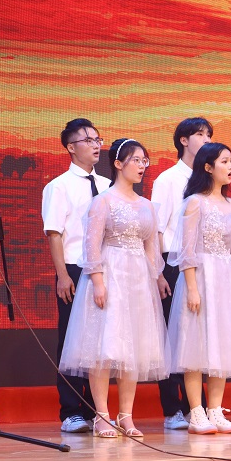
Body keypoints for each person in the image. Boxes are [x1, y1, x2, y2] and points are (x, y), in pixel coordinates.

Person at [59, 138, 170, 438]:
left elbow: (151, 248)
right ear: (119, 164)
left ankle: (126, 416)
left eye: (145, 160)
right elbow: (91, 245)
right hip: (110, 274)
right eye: (136, 160)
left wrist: (156, 278)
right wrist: (98, 282)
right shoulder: (103, 201)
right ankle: (102, 416)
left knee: (132, 349)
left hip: (138, 280)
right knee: (104, 348)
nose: (142, 166)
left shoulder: (147, 205)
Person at [166, 143, 231, 434]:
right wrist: (192, 289)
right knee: (195, 346)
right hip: (202, 277)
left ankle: (215, 411)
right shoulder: (195, 202)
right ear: (208, 167)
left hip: (226, 280)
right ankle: (196, 413)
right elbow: (187, 251)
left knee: (223, 345)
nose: (230, 167)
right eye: (224, 162)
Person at [42, 118, 110, 433]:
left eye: (98, 139)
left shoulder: (108, 186)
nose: (96, 145)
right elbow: (54, 233)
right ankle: (71, 411)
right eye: (88, 140)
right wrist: (62, 275)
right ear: (71, 147)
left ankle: (100, 411)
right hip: (74, 268)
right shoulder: (59, 186)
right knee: (71, 341)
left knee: (100, 341)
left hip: (104, 270)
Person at [150, 117, 213, 430]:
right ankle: (172, 408)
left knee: (197, 338)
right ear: (184, 141)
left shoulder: (209, 179)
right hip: (173, 264)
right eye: (200, 134)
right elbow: (156, 229)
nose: (206, 139)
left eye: (209, 135)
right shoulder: (168, 180)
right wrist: (159, 272)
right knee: (173, 337)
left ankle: (197, 408)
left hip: (203, 265)